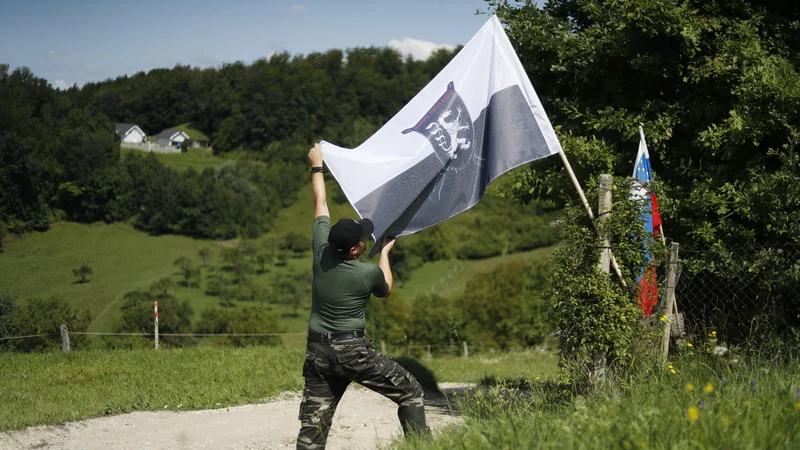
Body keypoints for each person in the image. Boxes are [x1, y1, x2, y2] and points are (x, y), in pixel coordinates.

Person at [296, 143, 429, 449]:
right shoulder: (366, 273)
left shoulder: (320, 254)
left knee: (313, 427)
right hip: (352, 351)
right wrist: (384, 253)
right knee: (411, 392)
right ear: (355, 250)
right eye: (362, 239)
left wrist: (317, 165)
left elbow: (320, 202)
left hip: (318, 352)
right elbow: (387, 288)